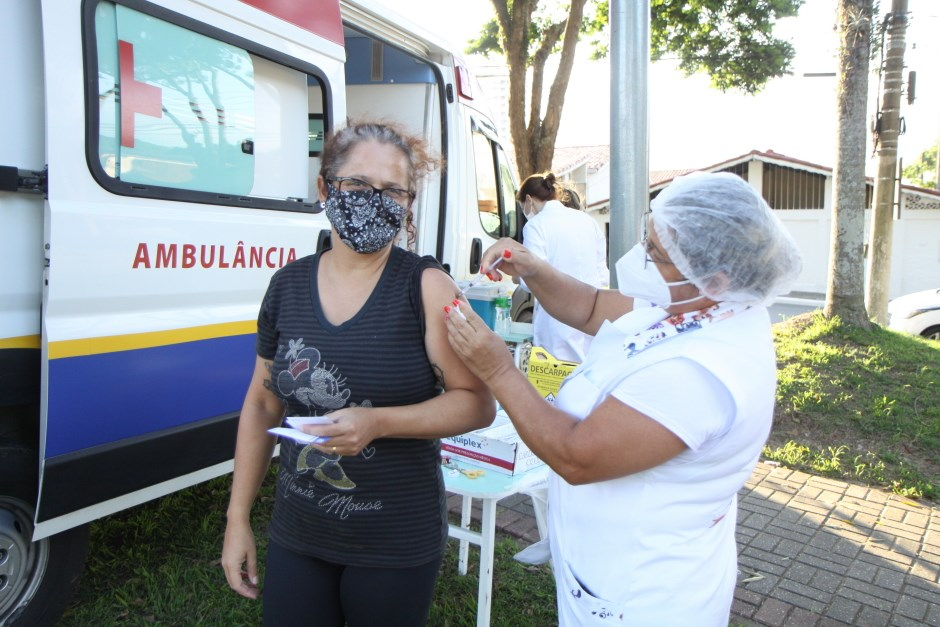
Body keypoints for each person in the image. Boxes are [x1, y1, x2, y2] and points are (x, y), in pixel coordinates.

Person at [444, 172, 802, 625]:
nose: (641, 260)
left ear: (714, 275)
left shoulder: (697, 373)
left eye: (655, 254)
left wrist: (497, 368)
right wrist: (534, 269)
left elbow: (576, 457)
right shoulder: (699, 307)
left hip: (643, 598)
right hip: (609, 575)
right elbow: (591, 306)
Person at [221, 120, 496, 626]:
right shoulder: (286, 286)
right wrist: (238, 518)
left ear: (409, 204)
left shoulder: (428, 288)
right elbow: (262, 402)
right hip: (298, 531)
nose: (375, 200)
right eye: (357, 185)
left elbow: (477, 402)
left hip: (395, 540)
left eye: (393, 190)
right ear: (325, 188)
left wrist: (379, 423)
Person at [516, 171, 608, 362]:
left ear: (528, 199)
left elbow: (532, 278)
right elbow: (602, 274)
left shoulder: (536, 225)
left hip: (556, 320)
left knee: (555, 382)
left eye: (521, 205)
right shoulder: (588, 221)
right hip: (591, 315)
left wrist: (516, 275)